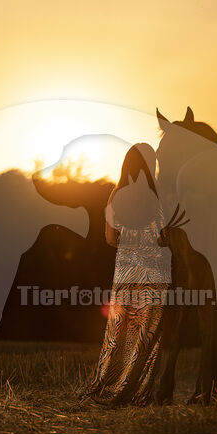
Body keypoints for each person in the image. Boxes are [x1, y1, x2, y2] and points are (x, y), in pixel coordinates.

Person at [82, 143, 171, 405]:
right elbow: (168, 238)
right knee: (147, 336)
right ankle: (140, 391)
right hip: (155, 273)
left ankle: (110, 384)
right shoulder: (161, 198)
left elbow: (110, 238)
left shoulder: (115, 195)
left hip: (125, 272)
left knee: (119, 332)